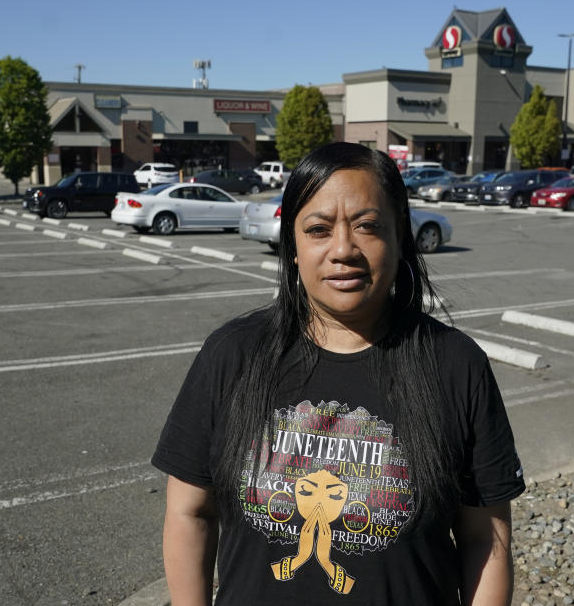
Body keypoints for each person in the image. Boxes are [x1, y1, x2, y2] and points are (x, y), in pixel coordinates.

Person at [152, 142, 525, 605]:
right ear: (293, 246)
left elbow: (484, 537)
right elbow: (190, 512)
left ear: (399, 237)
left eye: (367, 226)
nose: (343, 249)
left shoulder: (456, 365)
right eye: (318, 229)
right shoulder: (233, 354)